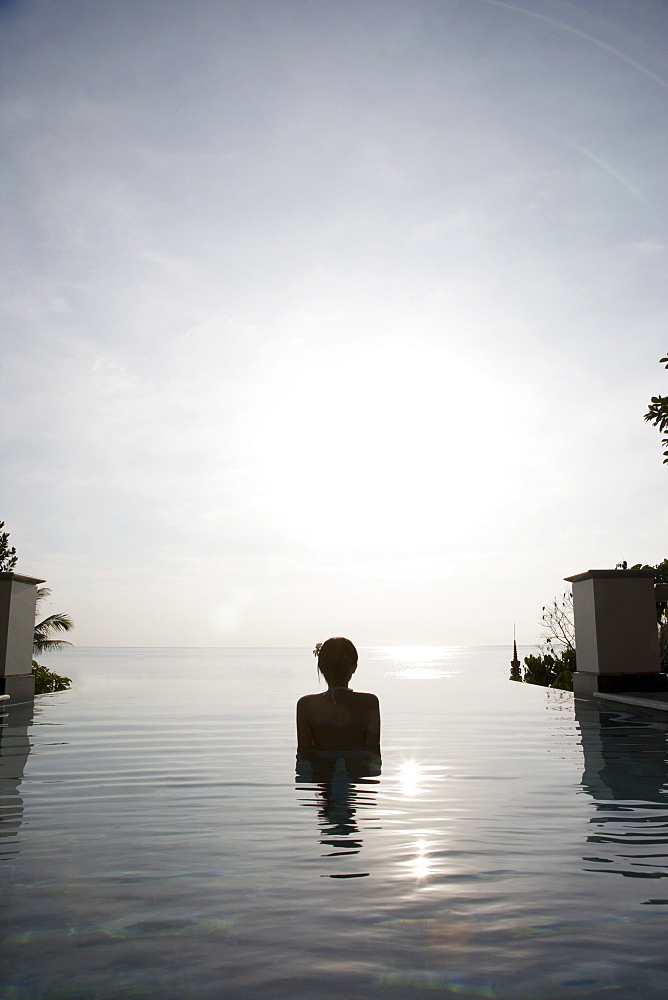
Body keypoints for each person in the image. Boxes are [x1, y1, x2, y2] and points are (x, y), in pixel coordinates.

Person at [296, 637, 381, 761]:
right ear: (354, 667)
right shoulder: (370, 703)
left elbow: (304, 754)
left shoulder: (306, 705)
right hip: (357, 772)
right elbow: (373, 753)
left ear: (321, 667)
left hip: (321, 773)